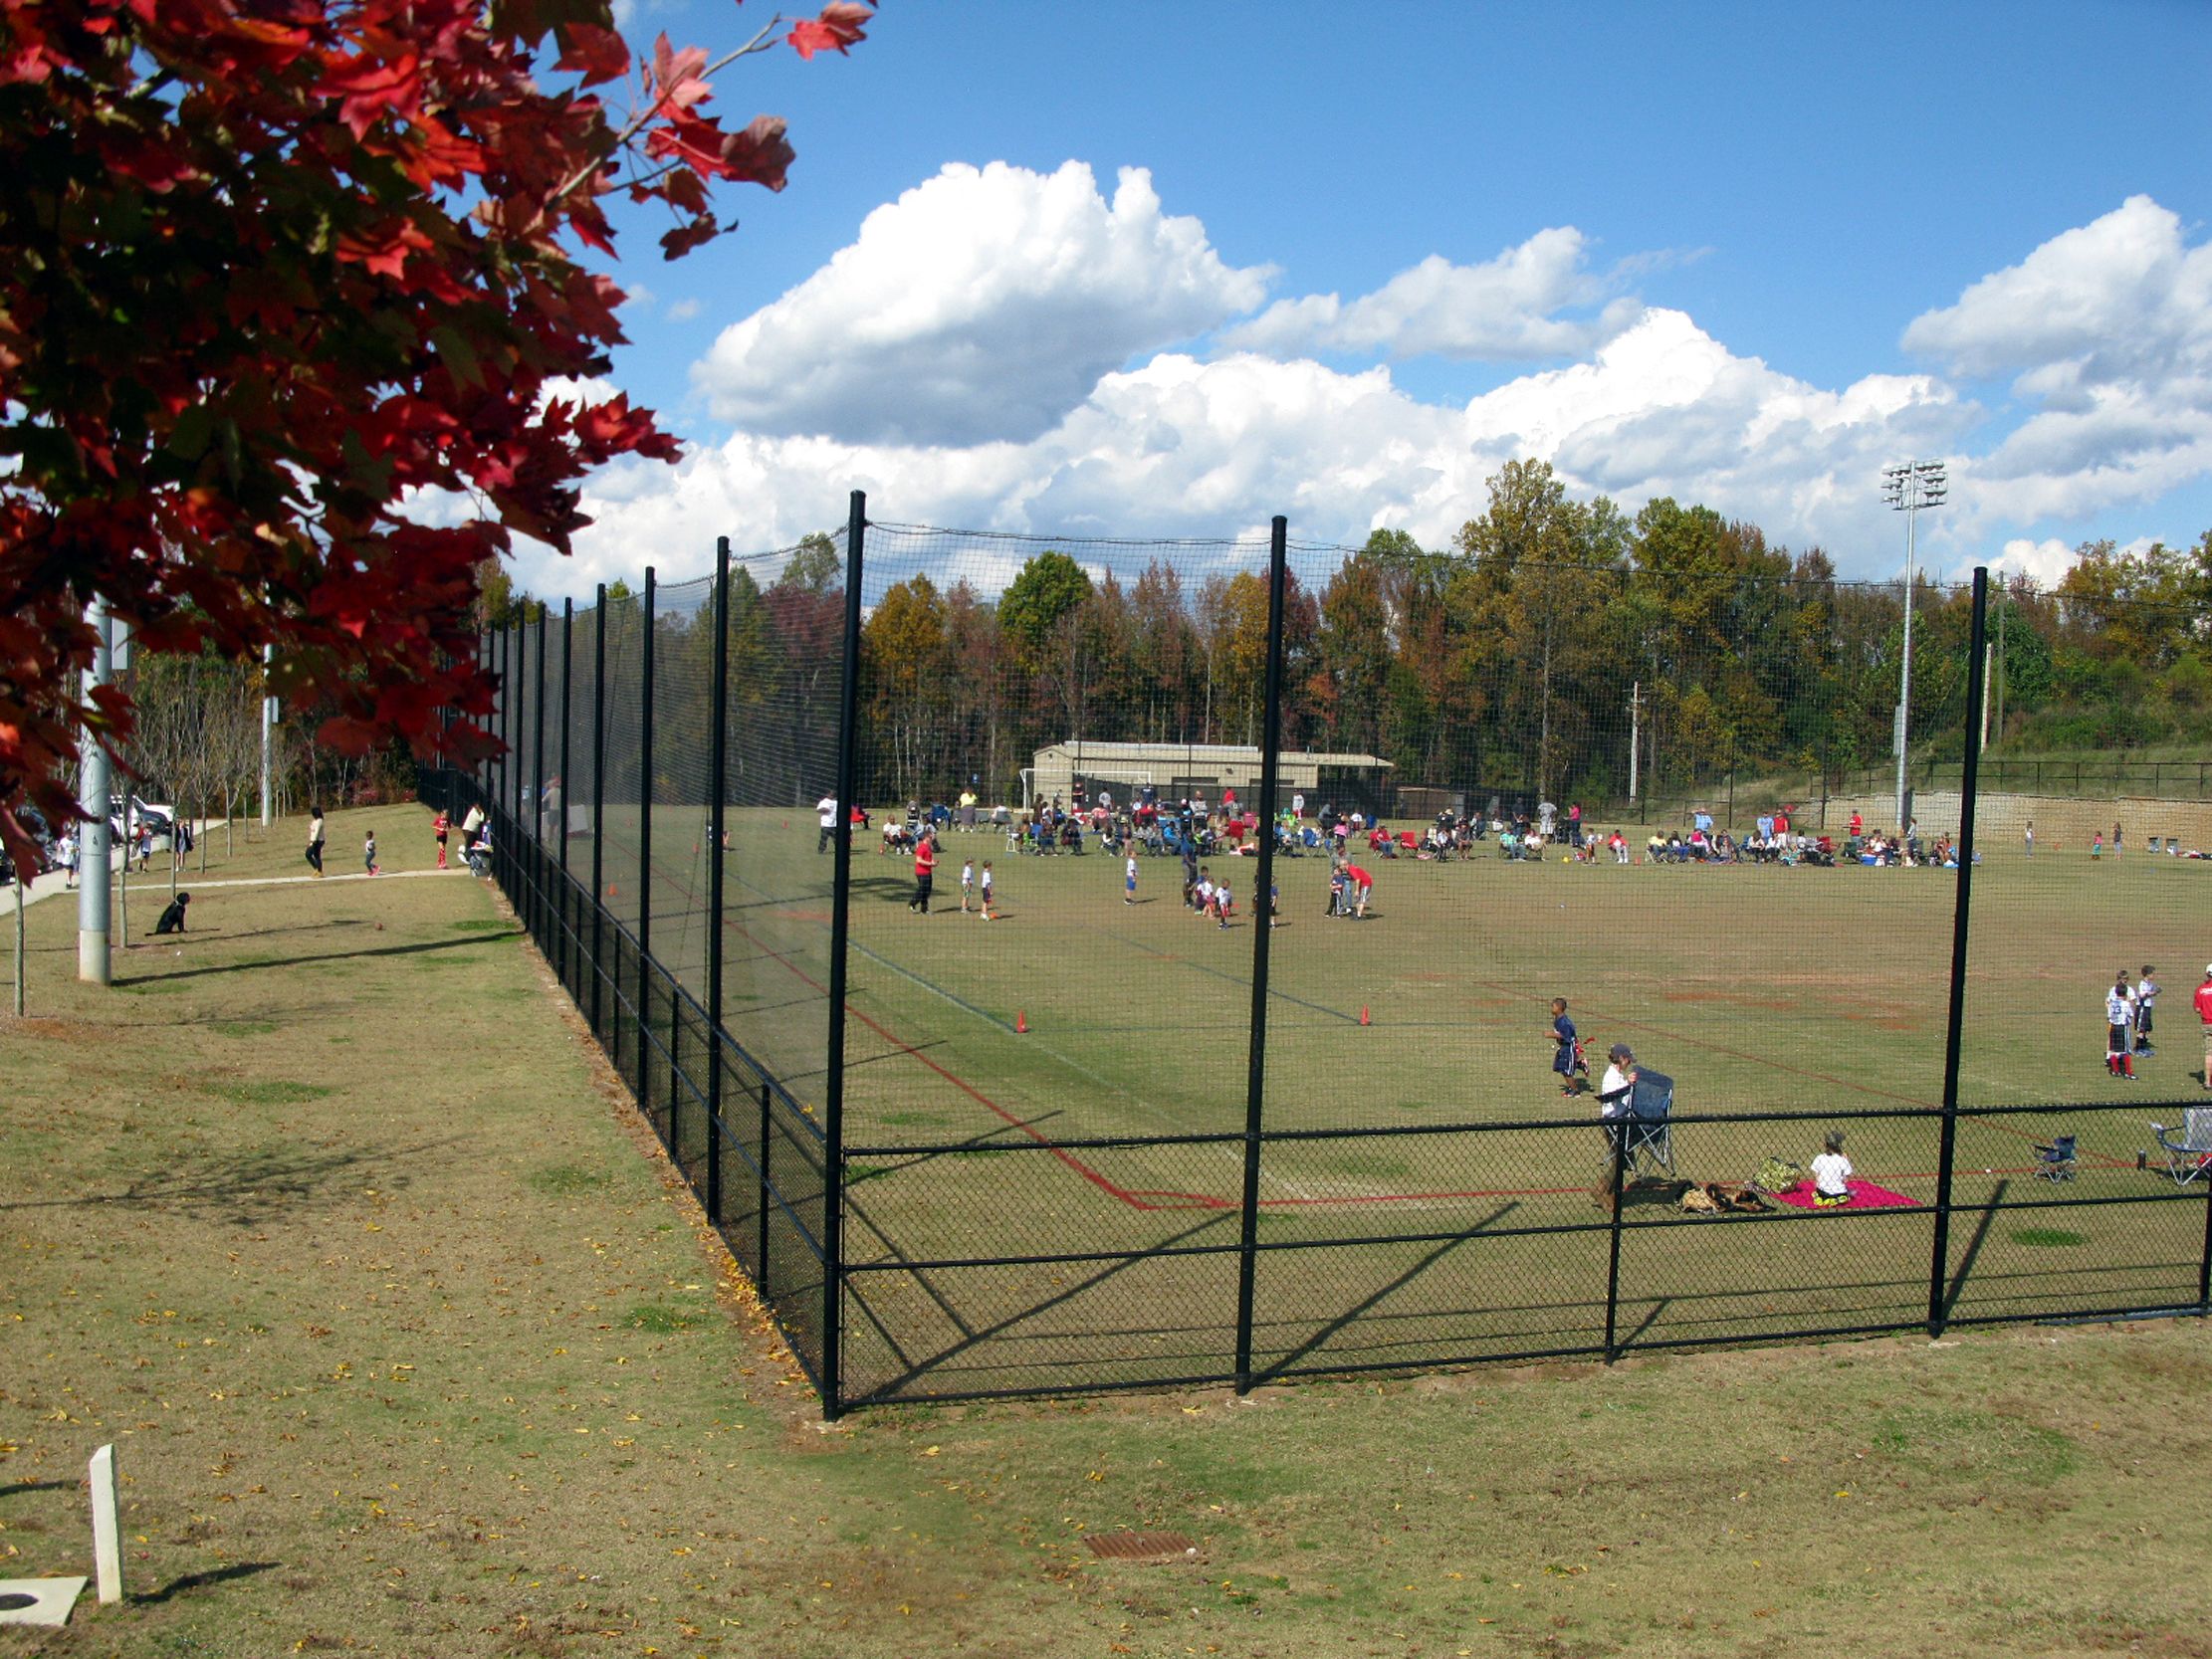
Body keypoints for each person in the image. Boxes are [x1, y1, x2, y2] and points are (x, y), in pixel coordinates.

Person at [1594, 1043, 1638, 1210]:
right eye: (1627, 1060)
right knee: (1620, 1160)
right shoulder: (1611, 1077)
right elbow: (1614, 1096)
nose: (1629, 1063)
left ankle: (1610, 1193)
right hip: (1613, 1124)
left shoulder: (1617, 1075)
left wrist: (1627, 1082)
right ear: (1620, 1059)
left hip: (1617, 1122)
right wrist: (1629, 1086)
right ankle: (1601, 1190)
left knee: (1623, 1160)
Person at [1549, 997, 1584, 1097]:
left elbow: (1567, 1036)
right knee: (1559, 1067)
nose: (1551, 1008)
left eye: (1553, 1006)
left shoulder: (1565, 1022)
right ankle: (1579, 1064)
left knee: (1566, 1071)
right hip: (1563, 1047)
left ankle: (1575, 1091)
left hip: (1569, 1048)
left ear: (1559, 1008)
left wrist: (1551, 1035)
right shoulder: (1558, 1019)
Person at [2105, 971, 2137, 1079]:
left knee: (2114, 1049)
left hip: (2113, 1026)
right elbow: (2131, 1014)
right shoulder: (2125, 1004)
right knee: (2126, 1050)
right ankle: (2128, 1072)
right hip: (2122, 1027)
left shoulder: (2112, 1004)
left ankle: (2115, 1070)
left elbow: (2109, 1016)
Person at [1810, 1131, 1854, 1207]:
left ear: (1826, 1145)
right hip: (1840, 1192)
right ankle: (1837, 1199)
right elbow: (1846, 1179)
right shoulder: (1843, 1160)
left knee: (1817, 1192)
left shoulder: (1819, 1158)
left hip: (1822, 1191)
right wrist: (1846, 1159)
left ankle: (1820, 1198)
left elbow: (1817, 1178)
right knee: (1848, 1195)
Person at [908, 828, 936, 914]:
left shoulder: (928, 847)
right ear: (926, 837)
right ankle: (912, 903)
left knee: (927, 891)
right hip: (921, 872)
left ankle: (924, 909)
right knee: (922, 890)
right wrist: (930, 863)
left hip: (928, 872)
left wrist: (932, 863)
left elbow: (927, 859)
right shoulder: (921, 847)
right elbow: (919, 860)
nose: (932, 839)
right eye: (931, 837)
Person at [2135, 965, 2159, 1056]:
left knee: (2146, 1029)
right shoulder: (2143, 984)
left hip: (2148, 1007)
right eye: (2152, 973)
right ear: (2147, 974)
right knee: (2141, 1029)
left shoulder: (2150, 984)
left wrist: (2156, 991)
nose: (2154, 975)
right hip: (2142, 1007)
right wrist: (2152, 993)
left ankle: (2144, 1047)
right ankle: (2138, 1049)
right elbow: (2141, 995)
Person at [2196, 964, 2212, 1091]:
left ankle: (2207, 1082)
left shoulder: (2200, 989)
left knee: (2209, 1053)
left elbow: (2197, 1009)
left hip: (2206, 1023)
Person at [305, 806, 327, 876]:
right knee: (310, 855)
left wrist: (312, 841)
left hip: (318, 841)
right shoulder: (315, 821)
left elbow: (316, 832)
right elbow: (312, 831)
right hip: (313, 840)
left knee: (314, 855)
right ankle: (317, 869)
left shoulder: (320, 821)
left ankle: (319, 871)